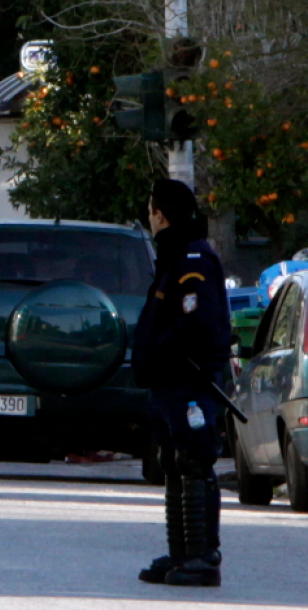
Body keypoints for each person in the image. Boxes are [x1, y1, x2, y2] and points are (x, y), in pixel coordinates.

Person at [133, 179, 231, 587]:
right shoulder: (174, 258)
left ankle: (202, 556)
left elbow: (197, 323)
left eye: (151, 210)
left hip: (189, 381)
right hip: (169, 385)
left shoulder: (193, 260)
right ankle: (180, 553)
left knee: (193, 460)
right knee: (172, 461)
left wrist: (160, 351)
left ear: (159, 214)